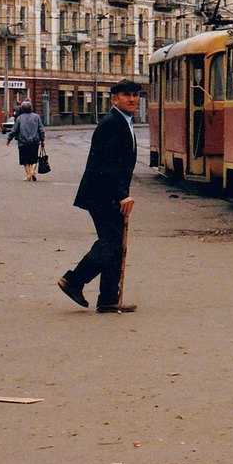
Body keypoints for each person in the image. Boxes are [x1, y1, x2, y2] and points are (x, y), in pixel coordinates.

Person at [58, 78, 143, 313]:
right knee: (112, 242)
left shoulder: (123, 121)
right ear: (114, 99)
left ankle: (108, 300)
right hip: (102, 194)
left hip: (108, 193)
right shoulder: (111, 123)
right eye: (127, 95)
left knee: (116, 245)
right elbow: (105, 164)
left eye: (135, 95)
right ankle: (74, 281)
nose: (133, 99)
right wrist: (121, 194)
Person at [7, 100, 45, 181]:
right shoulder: (36, 117)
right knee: (34, 158)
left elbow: (14, 130)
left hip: (23, 141)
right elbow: (41, 129)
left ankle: (28, 175)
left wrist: (9, 139)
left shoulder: (20, 118)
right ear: (31, 108)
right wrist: (42, 140)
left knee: (25, 160)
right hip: (35, 141)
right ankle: (33, 171)